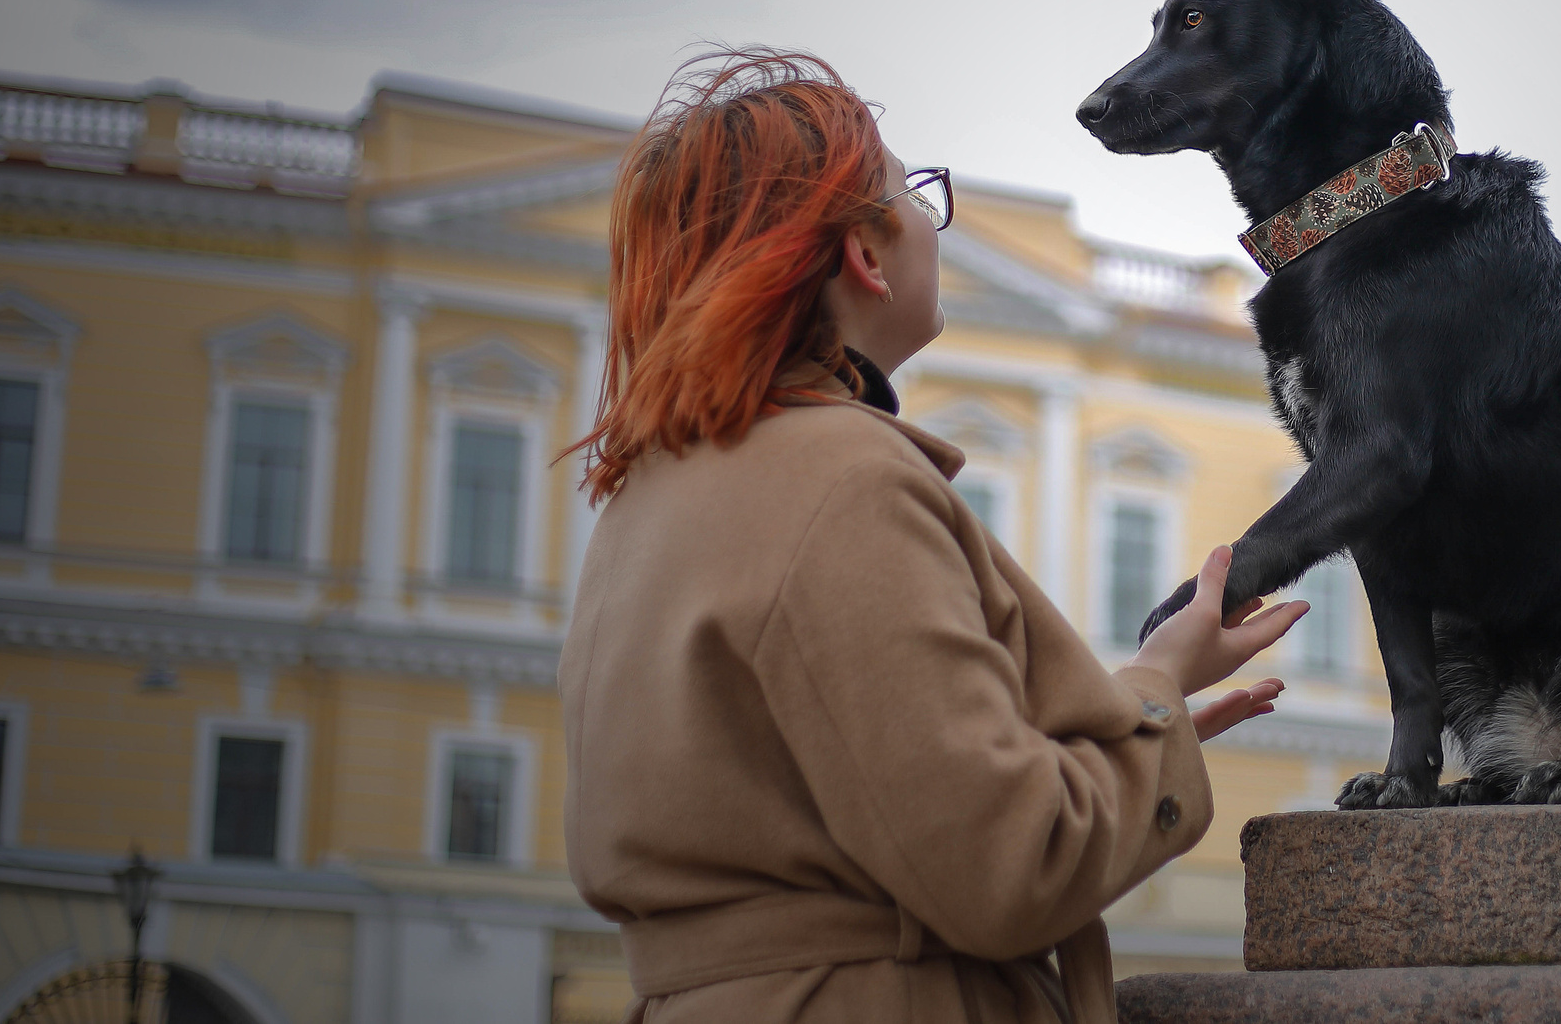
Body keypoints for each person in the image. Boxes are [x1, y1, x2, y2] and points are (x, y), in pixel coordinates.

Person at [559, 50, 1305, 1023]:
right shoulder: (843, 478)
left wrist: (1124, 730)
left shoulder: (654, 494)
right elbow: (1010, 865)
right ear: (864, 256)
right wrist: (1158, 690)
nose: (929, 220)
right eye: (914, 194)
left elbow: (839, 791)